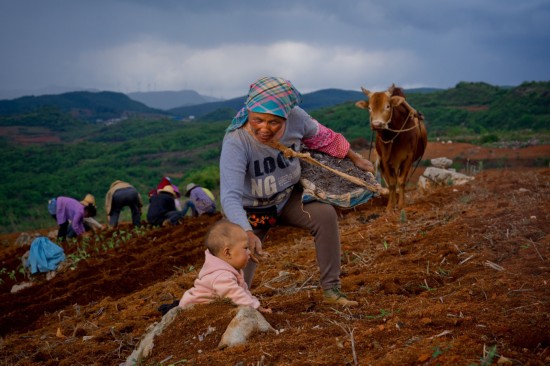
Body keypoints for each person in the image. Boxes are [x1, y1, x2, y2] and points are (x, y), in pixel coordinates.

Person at [220, 76, 374, 306]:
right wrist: (246, 232)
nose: (264, 128)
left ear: (286, 117)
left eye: (274, 123)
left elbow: (325, 139)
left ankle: (332, 291)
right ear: (248, 113)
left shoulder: (297, 118)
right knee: (237, 277)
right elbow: (230, 196)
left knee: (324, 216)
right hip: (249, 210)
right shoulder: (237, 141)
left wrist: (355, 158)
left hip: (286, 197)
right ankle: (238, 304)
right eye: (258, 120)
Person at [178, 219, 271, 313]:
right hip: (192, 309)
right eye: (245, 248)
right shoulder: (221, 276)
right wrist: (255, 308)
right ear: (227, 253)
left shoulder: (231, 270)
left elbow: (243, 292)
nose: (249, 252)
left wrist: (256, 305)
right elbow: (236, 295)